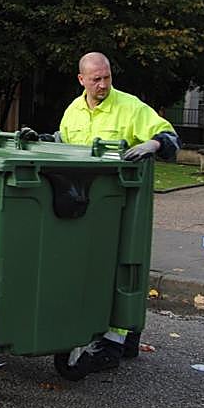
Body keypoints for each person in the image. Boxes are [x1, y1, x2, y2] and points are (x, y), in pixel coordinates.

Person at [51, 51, 179, 371]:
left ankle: (114, 341)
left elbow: (168, 136)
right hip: (84, 205)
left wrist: (154, 145)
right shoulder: (73, 112)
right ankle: (118, 334)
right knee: (91, 270)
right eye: (96, 79)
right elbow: (63, 148)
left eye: (107, 77)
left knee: (120, 268)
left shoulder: (129, 106)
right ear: (82, 80)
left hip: (121, 205)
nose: (103, 84)